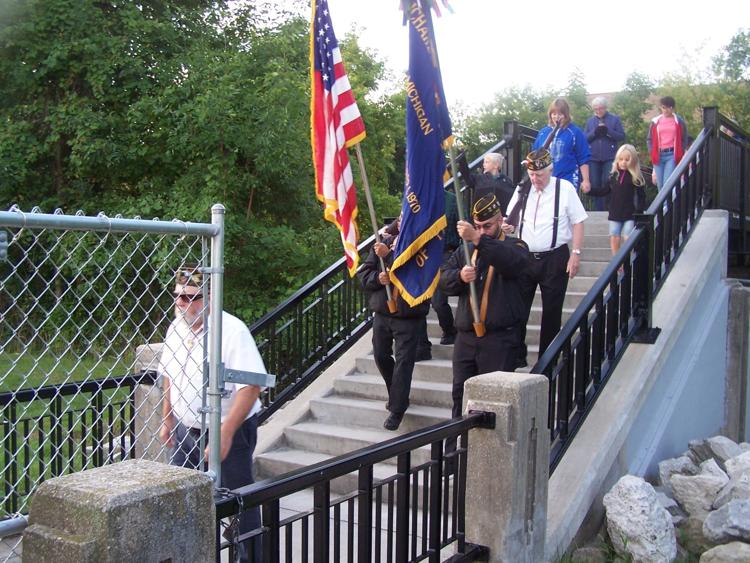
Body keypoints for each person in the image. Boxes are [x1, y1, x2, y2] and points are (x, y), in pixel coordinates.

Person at [159, 264, 264, 561]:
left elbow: (252, 385)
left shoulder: (231, 330)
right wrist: (167, 418)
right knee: (180, 496)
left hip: (228, 429)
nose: (182, 304)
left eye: (190, 297)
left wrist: (226, 432)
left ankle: (250, 556)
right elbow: (169, 374)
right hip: (184, 429)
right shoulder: (176, 327)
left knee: (239, 501)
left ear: (209, 297)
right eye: (178, 296)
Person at [439, 194, 530, 418]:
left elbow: (511, 262)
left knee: (492, 403)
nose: (481, 231)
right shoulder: (465, 251)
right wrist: (459, 276)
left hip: (499, 339)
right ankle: (456, 450)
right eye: (477, 227)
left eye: (486, 226)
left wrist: (480, 240)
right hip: (466, 338)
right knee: (460, 397)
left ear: (500, 220)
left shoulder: (516, 246)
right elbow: (443, 280)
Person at [505, 148, 588, 366]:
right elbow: (510, 218)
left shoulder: (565, 188)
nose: (535, 179)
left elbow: (578, 221)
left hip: (555, 257)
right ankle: (516, 356)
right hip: (524, 256)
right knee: (517, 309)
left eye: (539, 175)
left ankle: (547, 361)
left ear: (550, 171)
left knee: (551, 311)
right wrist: (507, 225)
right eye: (532, 174)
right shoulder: (523, 189)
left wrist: (576, 254)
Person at [358, 230, 430, 431]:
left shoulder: (425, 246)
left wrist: (388, 255)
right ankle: (396, 394)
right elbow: (364, 274)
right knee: (380, 355)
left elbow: (419, 276)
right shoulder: (385, 242)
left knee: (404, 362)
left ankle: (397, 409)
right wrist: (377, 279)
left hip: (408, 316)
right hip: (383, 312)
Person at [588, 144, 647, 258]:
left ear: (633, 160)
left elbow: (641, 196)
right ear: (617, 160)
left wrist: (639, 211)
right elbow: (604, 191)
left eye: (627, 159)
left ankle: (628, 259)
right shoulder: (613, 176)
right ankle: (616, 261)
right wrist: (590, 191)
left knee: (627, 236)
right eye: (621, 159)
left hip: (630, 213)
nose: (624, 162)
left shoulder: (636, 177)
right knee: (614, 235)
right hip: (615, 212)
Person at [533, 98, 592, 193]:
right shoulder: (543, 132)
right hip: (546, 179)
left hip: (568, 178)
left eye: (560, 114)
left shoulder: (575, 132)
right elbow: (535, 155)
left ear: (566, 114)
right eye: (554, 114)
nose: (557, 117)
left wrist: (586, 180)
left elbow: (583, 157)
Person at [583, 97, 625, 211]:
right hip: (593, 157)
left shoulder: (614, 119)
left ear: (605, 108)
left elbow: (621, 136)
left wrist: (608, 131)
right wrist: (594, 132)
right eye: (595, 109)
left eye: (600, 108)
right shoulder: (590, 121)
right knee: (595, 184)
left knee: (608, 182)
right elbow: (584, 138)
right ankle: (599, 211)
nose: (598, 111)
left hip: (610, 157)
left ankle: (611, 210)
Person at [433, 188, 459, 345]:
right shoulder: (418, 197)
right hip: (425, 255)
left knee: (438, 301)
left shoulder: (451, 200)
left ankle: (450, 330)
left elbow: (463, 224)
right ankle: (421, 345)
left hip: (446, 253)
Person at [647, 96, 688, 189]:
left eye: (669, 108)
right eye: (663, 107)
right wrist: (651, 151)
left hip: (671, 155)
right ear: (661, 108)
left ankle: (666, 204)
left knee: (667, 183)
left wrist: (681, 150)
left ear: (673, 108)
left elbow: (684, 137)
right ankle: (664, 204)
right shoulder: (655, 121)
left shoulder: (679, 121)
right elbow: (649, 139)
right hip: (658, 155)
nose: (666, 110)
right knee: (660, 184)